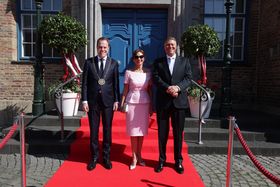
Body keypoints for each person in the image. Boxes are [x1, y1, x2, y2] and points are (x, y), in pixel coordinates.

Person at [152, 36, 192, 174]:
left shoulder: (184, 61)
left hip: (179, 103)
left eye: (173, 45)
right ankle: (161, 160)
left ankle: (178, 161)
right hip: (163, 102)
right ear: (164, 47)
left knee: (178, 134)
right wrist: (168, 88)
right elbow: (156, 78)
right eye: (168, 45)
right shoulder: (158, 62)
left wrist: (177, 88)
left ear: (176, 47)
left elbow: (188, 78)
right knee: (162, 134)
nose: (170, 47)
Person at [81, 37, 120, 171]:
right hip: (92, 102)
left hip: (108, 101)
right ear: (97, 47)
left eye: (104, 47)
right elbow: (84, 82)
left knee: (107, 130)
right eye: (100, 47)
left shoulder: (113, 63)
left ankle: (106, 157)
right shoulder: (89, 62)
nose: (102, 49)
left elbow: (115, 83)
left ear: (108, 48)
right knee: (94, 130)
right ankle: (94, 157)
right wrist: (84, 100)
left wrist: (116, 100)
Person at [120, 49, 152, 170]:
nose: (139, 59)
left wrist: (152, 106)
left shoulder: (148, 73)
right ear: (133, 59)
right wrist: (122, 103)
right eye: (137, 57)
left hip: (144, 103)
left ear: (144, 58)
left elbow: (149, 90)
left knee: (141, 130)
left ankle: (140, 154)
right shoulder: (129, 72)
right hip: (132, 103)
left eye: (141, 57)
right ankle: (133, 156)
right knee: (133, 131)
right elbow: (125, 89)